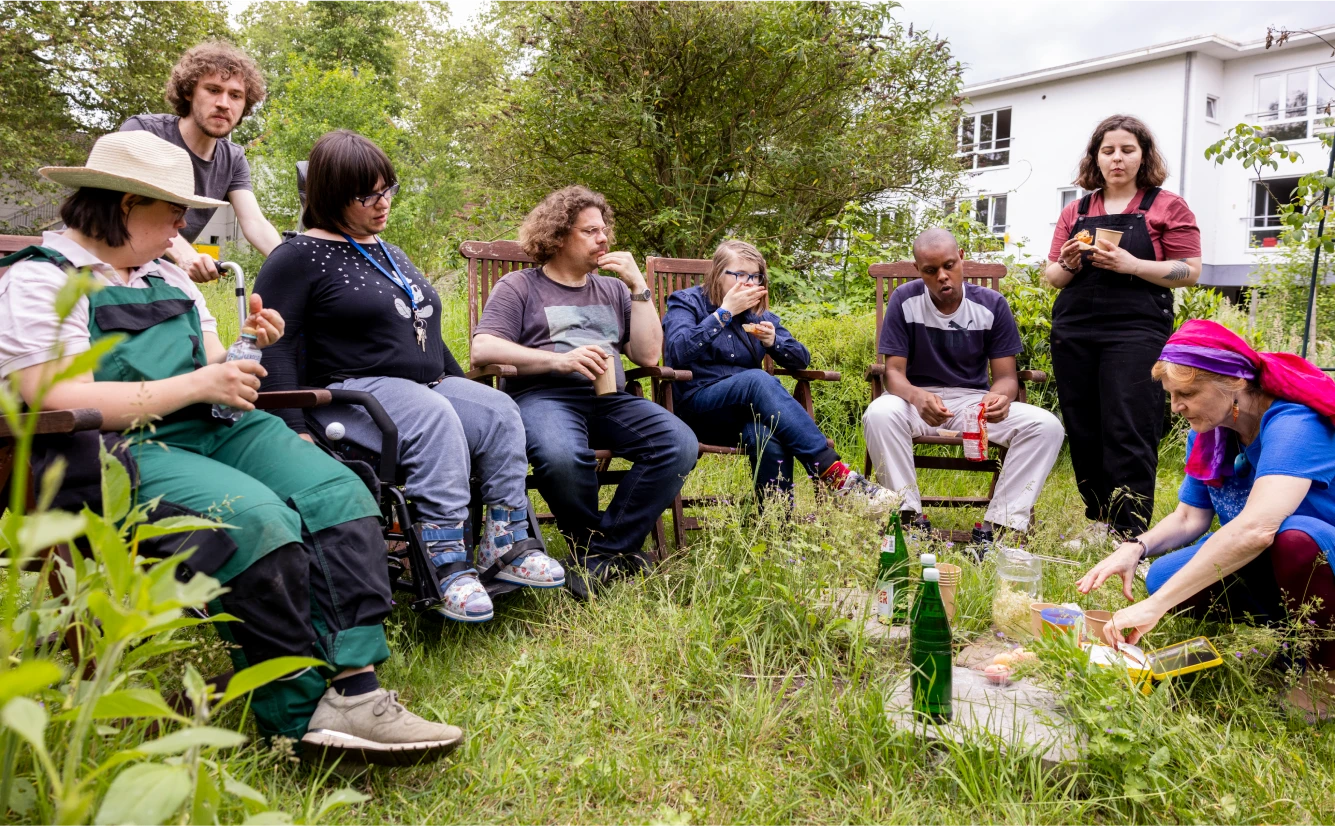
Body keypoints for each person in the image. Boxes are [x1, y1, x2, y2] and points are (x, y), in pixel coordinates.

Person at [0, 130, 461, 763]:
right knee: (258, 521)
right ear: (125, 205)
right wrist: (199, 382)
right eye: (173, 215)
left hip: (210, 429)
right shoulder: (42, 278)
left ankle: (356, 689)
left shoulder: (165, 275)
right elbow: (54, 398)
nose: (182, 230)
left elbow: (216, 369)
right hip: (109, 450)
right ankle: (296, 716)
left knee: (338, 492)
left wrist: (250, 346)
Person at [257, 130, 564, 624]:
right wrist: (291, 429)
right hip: (349, 395)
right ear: (332, 195)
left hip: (422, 388)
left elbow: (422, 326)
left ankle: (504, 545)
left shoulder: (388, 250)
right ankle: (446, 563)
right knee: (434, 415)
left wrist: (461, 386)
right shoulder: (297, 257)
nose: (383, 204)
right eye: (368, 196)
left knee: (500, 410)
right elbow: (275, 347)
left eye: (388, 190)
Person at [1077, 320, 1335, 717]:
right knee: (1165, 576)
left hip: (1315, 554)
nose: (1176, 407)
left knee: (1294, 541)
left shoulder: (1295, 423)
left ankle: (1324, 675)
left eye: (1187, 393)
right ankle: (1292, 635)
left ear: (1232, 382)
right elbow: (1188, 519)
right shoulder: (1211, 429)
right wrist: (1136, 547)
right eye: (1172, 395)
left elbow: (1256, 529)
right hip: (1273, 560)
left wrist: (1156, 606)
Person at [471, 185, 698, 597]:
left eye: (604, 229)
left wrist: (638, 286)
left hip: (610, 400)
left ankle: (599, 554)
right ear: (558, 236)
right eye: (590, 231)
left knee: (679, 443)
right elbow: (482, 349)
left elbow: (648, 354)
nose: (604, 238)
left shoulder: (613, 290)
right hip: (543, 397)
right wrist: (558, 360)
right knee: (560, 456)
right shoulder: (520, 287)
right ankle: (602, 554)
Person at [1044, 115, 1202, 543]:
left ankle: (1128, 528)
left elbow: (1189, 270)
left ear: (1143, 155)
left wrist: (1132, 265)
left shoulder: (1167, 206)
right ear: (1096, 157)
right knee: (1084, 423)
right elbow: (1053, 278)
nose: (1117, 158)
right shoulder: (1076, 210)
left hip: (1136, 329)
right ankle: (1098, 520)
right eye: (1108, 150)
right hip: (1075, 327)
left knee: (1129, 421)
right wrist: (1069, 263)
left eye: (1127, 149)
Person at [862, 228, 1064, 543]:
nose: (943, 276)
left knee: (1046, 426)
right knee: (879, 412)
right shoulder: (904, 299)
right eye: (931, 271)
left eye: (949, 266)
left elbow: (1007, 377)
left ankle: (1000, 529)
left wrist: (998, 398)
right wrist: (917, 397)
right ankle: (908, 519)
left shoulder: (992, 304)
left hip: (972, 405)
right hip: (914, 403)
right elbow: (894, 374)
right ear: (919, 271)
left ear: (961, 258)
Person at [662, 239, 895, 509]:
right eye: (739, 275)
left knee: (770, 437)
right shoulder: (686, 302)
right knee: (758, 379)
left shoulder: (758, 316)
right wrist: (725, 314)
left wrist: (774, 342)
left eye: (754, 276)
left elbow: (801, 359)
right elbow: (677, 351)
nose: (748, 283)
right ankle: (834, 474)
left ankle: (775, 533)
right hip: (698, 409)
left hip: (743, 417)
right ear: (717, 274)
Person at [120, 41, 282, 283]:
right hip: (98, 263)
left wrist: (293, 264)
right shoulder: (144, 132)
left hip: (154, 277)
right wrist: (185, 255)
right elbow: (121, 208)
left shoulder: (233, 159)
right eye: (213, 90)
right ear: (189, 91)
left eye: (235, 95)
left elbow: (255, 223)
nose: (224, 104)